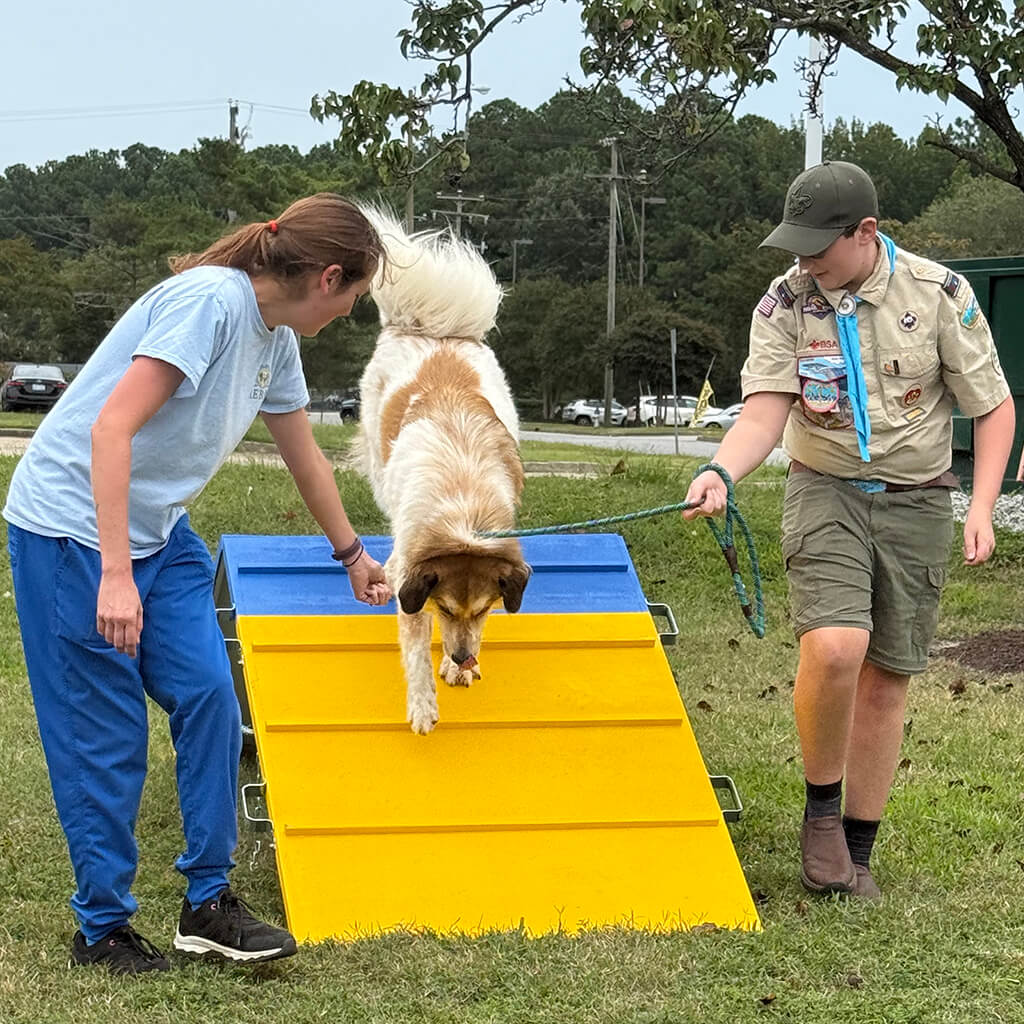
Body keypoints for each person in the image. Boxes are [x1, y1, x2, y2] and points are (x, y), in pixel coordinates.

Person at [3, 193, 393, 974]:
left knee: (213, 694)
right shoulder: (210, 304)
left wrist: (354, 556)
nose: (353, 310)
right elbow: (109, 428)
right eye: (356, 295)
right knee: (105, 734)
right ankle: (102, 929)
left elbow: (303, 455)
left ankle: (207, 904)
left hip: (159, 534)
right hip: (73, 533)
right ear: (326, 277)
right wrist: (115, 576)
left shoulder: (275, 339)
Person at [684, 161, 1015, 900]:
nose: (805, 263)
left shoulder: (938, 294)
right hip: (824, 487)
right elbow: (766, 411)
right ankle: (822, 813)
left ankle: (858, 848)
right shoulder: (784, 304)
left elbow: (992, 407)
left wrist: (985, 506)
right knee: (836, 647)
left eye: (817, 249)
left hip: (918, 498)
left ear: (865, 233)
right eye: (796, 250)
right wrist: (720, 473)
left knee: (888, 674)